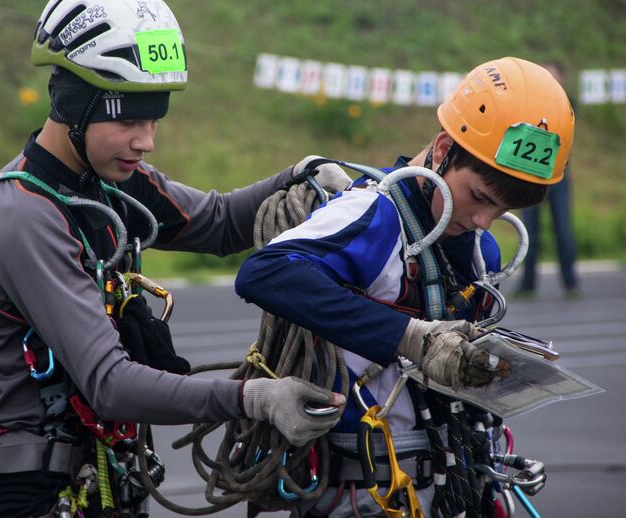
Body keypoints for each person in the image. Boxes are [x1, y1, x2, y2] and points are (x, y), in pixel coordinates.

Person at [0, 1, 347, 516]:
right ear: (74, 104)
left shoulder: (110, 184)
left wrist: (300, 174)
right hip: (31, 494)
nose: (146, 141)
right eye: (131, 120)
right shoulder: (23, 214)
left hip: (104, 479)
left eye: (155, 119)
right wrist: (253, 398)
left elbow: (222, 223)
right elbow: (110, 384)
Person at [235, 57, 575, 517]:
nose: (482, 221)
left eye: (500, 210)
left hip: (455, 481)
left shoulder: (482, 249)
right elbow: (264, 272)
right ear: (441, 151)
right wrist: (411, 338)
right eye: (478, 197)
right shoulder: (374, 216)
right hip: (364, 495)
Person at [517, 61, 580, 298]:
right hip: (530, 174)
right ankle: (527, 284)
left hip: (558, 175)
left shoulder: (567, 103)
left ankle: (571, 283)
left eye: (554, 77)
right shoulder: (527, 104)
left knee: (563, 230)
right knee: (529, 232)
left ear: (562, 80)